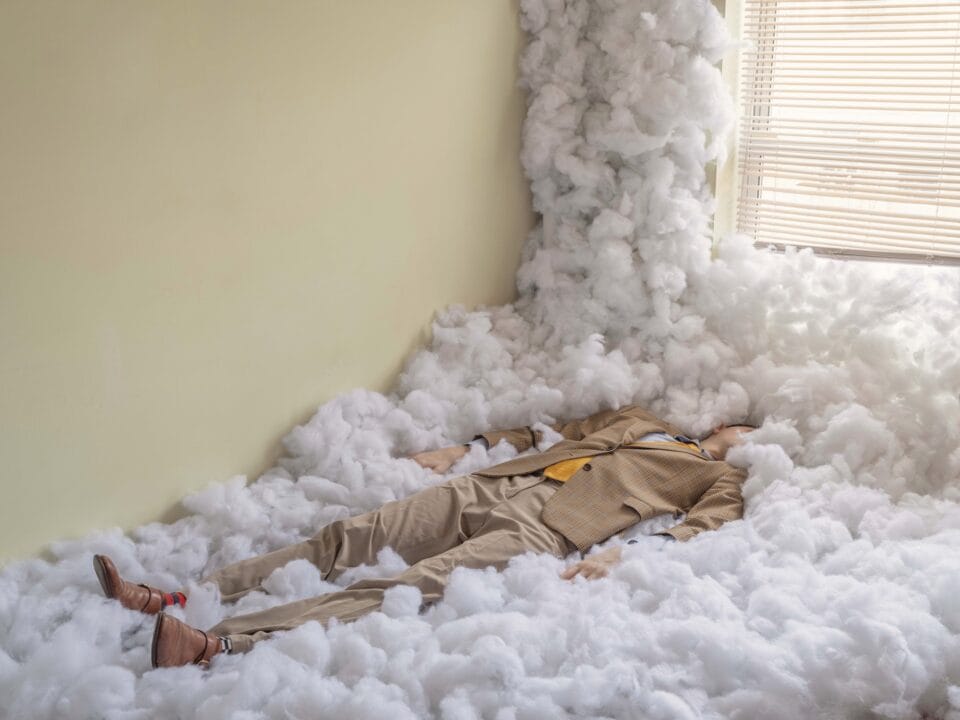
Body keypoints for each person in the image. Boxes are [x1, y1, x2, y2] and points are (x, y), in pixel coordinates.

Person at [92, 404, 755, 668]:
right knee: (345, 537)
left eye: (746, 432)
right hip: (490, 484)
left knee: (400, 588)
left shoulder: (716, 478)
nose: (734, 429)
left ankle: (217, 642)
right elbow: (543, 434)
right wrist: (459, 449)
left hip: (549, 528)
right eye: (736, 422)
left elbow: (702, 529)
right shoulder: (641, 417)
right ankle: (173, 598)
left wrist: (621, 557)